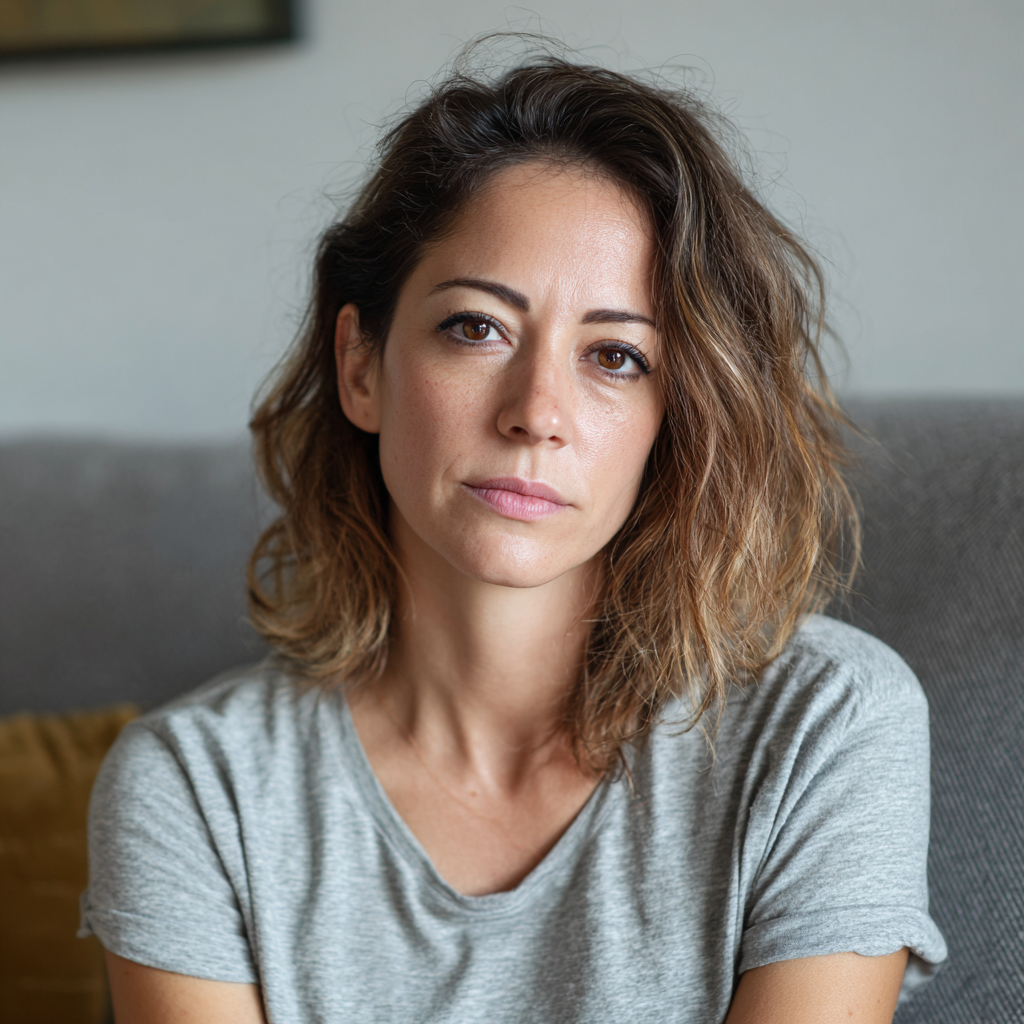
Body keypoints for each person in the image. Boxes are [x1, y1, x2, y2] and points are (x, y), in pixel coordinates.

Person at [80, 45, 947, 1024]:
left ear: (678, 413)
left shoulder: (821, 725)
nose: (538, 411)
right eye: (476, 328)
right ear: (360, 364)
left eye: (616, 356)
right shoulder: (197, 789)